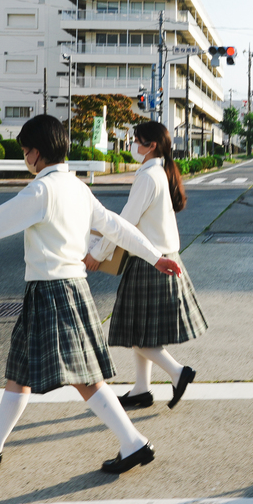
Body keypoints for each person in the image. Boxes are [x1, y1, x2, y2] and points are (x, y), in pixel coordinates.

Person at [0, 114, 182, 476]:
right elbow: (118, 227)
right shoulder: (77, 188)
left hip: (53, 291)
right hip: (64, 288)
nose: (24, 157)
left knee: (83, 377)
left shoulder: (41, 191)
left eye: (24, 151)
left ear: (36, 153)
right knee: (20, 369)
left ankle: (134, 443)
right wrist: (155, 256)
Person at [86, 120, 208, 410]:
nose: (132, 144)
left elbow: (122, 224)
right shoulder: (159, 172)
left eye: (137, 140)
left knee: (135, 333)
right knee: (141, 331)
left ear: (150, 145)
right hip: (160, 257)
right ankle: (141, 390)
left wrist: (98, 254)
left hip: (151, 262)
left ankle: (179, 373)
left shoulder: (147, 177)